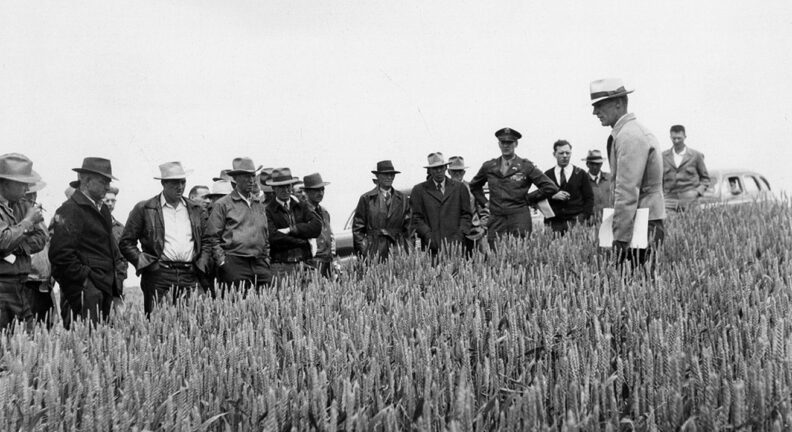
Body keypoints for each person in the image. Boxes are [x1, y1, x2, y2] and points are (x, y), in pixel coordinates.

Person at [590, 78, 665, 268]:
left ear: (618, 103)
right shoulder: (630, 132)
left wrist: (620, 238)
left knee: (636, 281)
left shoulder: (629, 136)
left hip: (640, 224)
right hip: (641, 221)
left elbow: (627, 191)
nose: (595, 112)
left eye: (599, 105)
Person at [119, 162, 212, 315]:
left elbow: (207, 241)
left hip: (189, 275)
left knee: (191, 320)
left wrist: (200, 265)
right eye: (175, 183)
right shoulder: (145, 208)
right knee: (158, 321)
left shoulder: (196, 209)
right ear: (163, 183)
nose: (180, 187)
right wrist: (146, 264)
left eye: (183, 182)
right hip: (159, 276)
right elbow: (126, 242)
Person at [50, 157, 125, 328]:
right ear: (86, 180)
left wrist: (115, 286)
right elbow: (60, 255)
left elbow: (110, 249)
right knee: (86, 339)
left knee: (102, 340)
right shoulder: (70, 209)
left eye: (109, 182)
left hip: (104, 290)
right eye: (103, 181)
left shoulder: (102, 209)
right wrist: (85, 283)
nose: (107, 187)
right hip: (86, 293)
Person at [469, 127, 559, 244]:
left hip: (519, 219)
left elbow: (550, 187)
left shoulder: (526, 166)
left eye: (509, 142)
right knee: (496, 252)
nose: (506, 146)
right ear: (499, 144)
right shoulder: (489, 166)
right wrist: (485, 203)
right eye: (503, 142)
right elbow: (474, 186)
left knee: (520, 251)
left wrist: (528, 198)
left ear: (516, 144)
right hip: (497, 220)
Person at [206, 157, 272, 290]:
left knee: (266, 298)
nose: (251, 180)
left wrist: (266, 259)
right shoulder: (223, 204)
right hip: (234, 262)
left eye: (253, 176)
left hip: (259, 263)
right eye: (246, 176)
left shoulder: (258, 204)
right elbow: (212, 238)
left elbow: (265, 234)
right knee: (237, 300)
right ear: (236, 179)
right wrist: (223, 262)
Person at [0, 154, 47, 332]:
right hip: (2, 288)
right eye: (22, 183)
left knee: (27, 339)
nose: (27, 188)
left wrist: (17, 244)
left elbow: (40, 238)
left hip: (19, 285)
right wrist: (27, 222)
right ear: (5, 183)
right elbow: (3, 241)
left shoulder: (18, 205)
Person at [410, 153, 472, 255]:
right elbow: (416, 218)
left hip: (456, 246)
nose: (438, 171)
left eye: (441, 167)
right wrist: (428, 235)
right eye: (435, 168)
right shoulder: (419, 190)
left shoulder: (460, 188)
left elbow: (466, 215)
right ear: (429, 170)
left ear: (446, 168)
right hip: (431, 247)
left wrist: (459, 235)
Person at [265, 168, 321, 280]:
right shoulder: (268, 210)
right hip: (281, 266)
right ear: (273, 188)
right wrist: (302, 240)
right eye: (281, 187)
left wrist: (291, 230)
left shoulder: (301, 205)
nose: (286, 190)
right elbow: (273, 237)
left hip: (304, 262)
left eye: (288, 186)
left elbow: (316, 227)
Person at [352, 160, 411, 261]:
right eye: (385, 174)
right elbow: (358, 229)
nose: (389, 177)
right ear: (377, 176)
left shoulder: (403, 199)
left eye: (392, 175)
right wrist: (365, 251)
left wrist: (406, 249)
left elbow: (409, 228)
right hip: (374, 251)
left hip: (397, 251)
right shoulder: (366, 199)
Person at [538, 140, 594, 235]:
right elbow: (540, 196)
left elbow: (589, 198)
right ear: (554, 154)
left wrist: (582, 218)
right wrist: (552, 196)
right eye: (561, 153)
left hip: (576, 222)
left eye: (567, 153)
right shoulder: (547, 175)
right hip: (554, 224)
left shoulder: (581, 174)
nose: (565, 156)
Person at [23, 182, 55, 327]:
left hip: (43, 283)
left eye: (34, 194)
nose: (33, 198)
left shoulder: (37, 217)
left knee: (44, 326)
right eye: (29, 195)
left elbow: (45, 240)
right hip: (28, 282)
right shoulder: (17, 217)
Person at [662, 125, 710, 211]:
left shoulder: (696, 156)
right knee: (667, 220)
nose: (676, 141)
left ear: (685, 137)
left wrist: (697, 192)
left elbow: (705, 179)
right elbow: (658, 179)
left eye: (679, 138)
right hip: (669, 201)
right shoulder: (663, 157)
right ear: (670, 137)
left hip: (690, 200)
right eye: (674, 138)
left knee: (693, 220)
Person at [448, 156, 489, 250]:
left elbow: (484, 210)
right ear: (449, 172)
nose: (457, 174)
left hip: (474, 235)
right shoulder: (443, 190)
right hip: (452, 237)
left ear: (464, 172)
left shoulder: (473, 188)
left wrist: (482, 228)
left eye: (460, 171)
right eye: (454, 171)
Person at [302, 173, 338, 278]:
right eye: (316, 190)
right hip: (312, 263)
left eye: (322, 190)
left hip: (327, 262)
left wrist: (333, 259)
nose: (320, 193)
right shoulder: (302, 212)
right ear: (307, 192)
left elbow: (330, 236)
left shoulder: (324, 212)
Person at [103, 184, 127, 307]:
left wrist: (122, 273)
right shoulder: (93, 223)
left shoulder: (120, 228)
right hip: (99, 279)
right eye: (107, 200)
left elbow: (124, 254)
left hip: (116, 281)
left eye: (113, 201)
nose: (110, 204)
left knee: (117, 313)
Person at [582, 150, 613, 221]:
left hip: (609, 219)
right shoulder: (582, 181)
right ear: (587, 164)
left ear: (601, 164)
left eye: (597, 164)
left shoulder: (610, 179)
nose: (595, 167)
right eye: (592, 164)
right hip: (590, 220)